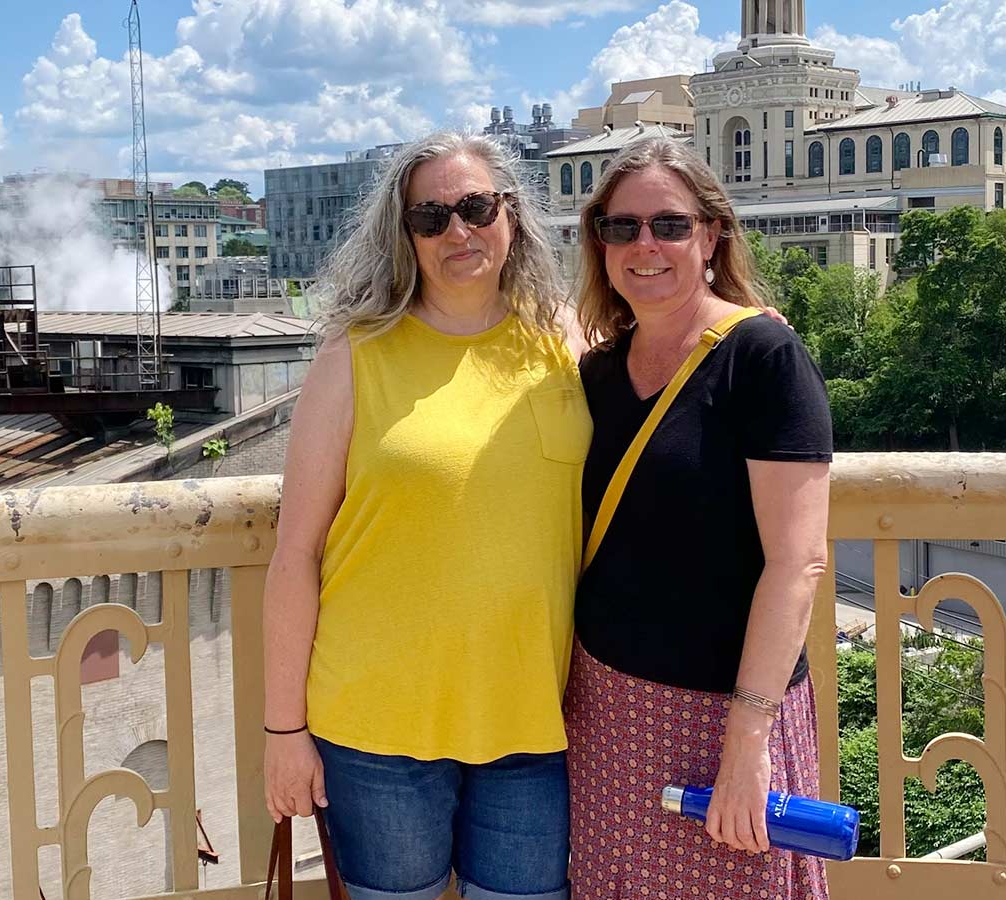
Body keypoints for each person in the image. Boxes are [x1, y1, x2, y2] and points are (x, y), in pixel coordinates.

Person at [261, 132, 591, 900]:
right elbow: (296, 554)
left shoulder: (565, 342)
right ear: (403, 235)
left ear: (511, 214)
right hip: (377, 728)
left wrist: (748, 320)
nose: (458, 232)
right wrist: (284, 731)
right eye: (431, 217)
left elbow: (672, 381)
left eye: (476, 207)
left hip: (534, 719)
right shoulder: (355, 353)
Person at [564, 137, 833, 900]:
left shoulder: (764, 355)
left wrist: (747, 743)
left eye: (670, 225)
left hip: (724, 718)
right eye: (622, 228)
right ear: (600, 243)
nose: (645, 245)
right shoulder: (599, 371)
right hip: (607, 710)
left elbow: (798, 562)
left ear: (712, 236)